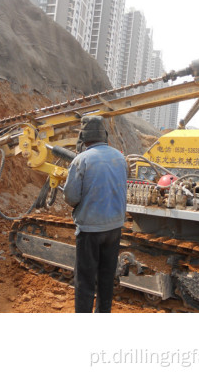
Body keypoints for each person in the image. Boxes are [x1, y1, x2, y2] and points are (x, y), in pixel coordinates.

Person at [63, 116, 128, 313]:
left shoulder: (81, 160)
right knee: (106, 278)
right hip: (115, 227)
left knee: (85, 280)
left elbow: (71, 197)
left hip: (90, 229)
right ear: (104, 136)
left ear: (83, 137)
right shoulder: (120, 157)